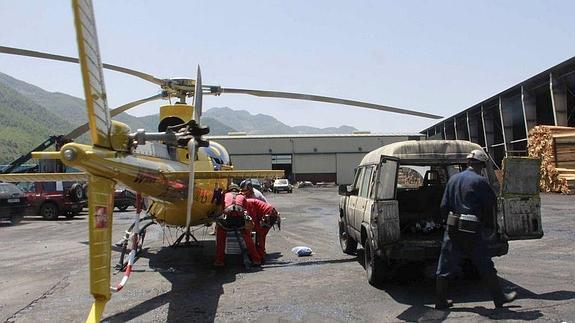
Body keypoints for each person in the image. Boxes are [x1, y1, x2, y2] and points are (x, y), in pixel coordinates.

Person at [435, 149, 517, 309]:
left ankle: (440, 301)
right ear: (482, 165)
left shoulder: (453, 180)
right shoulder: (480, 181)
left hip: (453, 229)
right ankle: (499, 298)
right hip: (472, 230)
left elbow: (444, 206)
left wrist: (446, 223)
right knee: (484, 264)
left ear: (468, 163)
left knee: (445, 265)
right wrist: (487, 226)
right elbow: (490, 205)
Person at [214, 188, 261, 267]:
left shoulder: (225, 195)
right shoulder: (242, 197)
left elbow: (221, 209)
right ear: (237, 190)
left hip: (228, 220)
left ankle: (219, 260)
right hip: (240, 220)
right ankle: (256, 259)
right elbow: (246, 211)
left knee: (220, 236)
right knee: (247, 238)